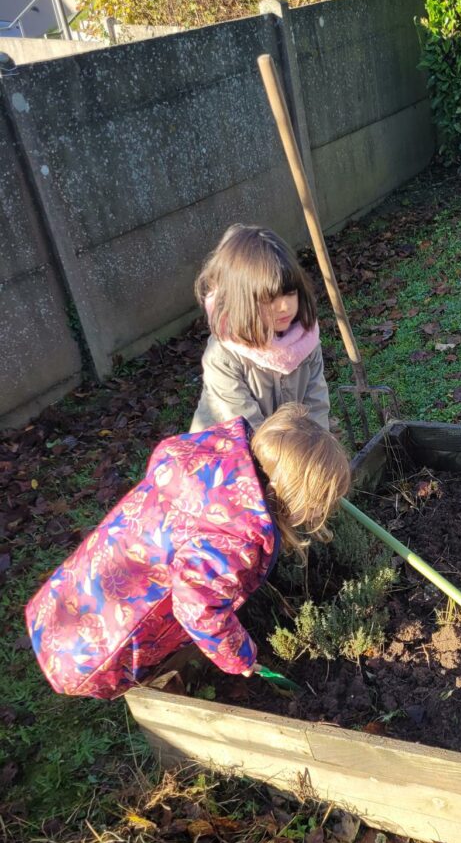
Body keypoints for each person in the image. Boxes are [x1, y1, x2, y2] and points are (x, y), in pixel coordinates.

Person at [25, 405, 350, 700]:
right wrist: (241, 656)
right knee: (109, 647)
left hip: (93, 575)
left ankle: (51, 628)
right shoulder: (233, 536)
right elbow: (199, 610)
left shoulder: (211, 466)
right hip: (103, 642)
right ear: (293, 500)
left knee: (81, 601)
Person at [190, 224, 331, 432]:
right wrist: (292, 462)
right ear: (242, 302)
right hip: (230, 454)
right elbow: (249, 431)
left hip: (284, 447)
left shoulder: (305, 340)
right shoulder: (223, 357)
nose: (284, 307)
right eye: (270, 299)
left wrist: (318, 450)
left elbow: (316, 406)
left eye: (290, 293)